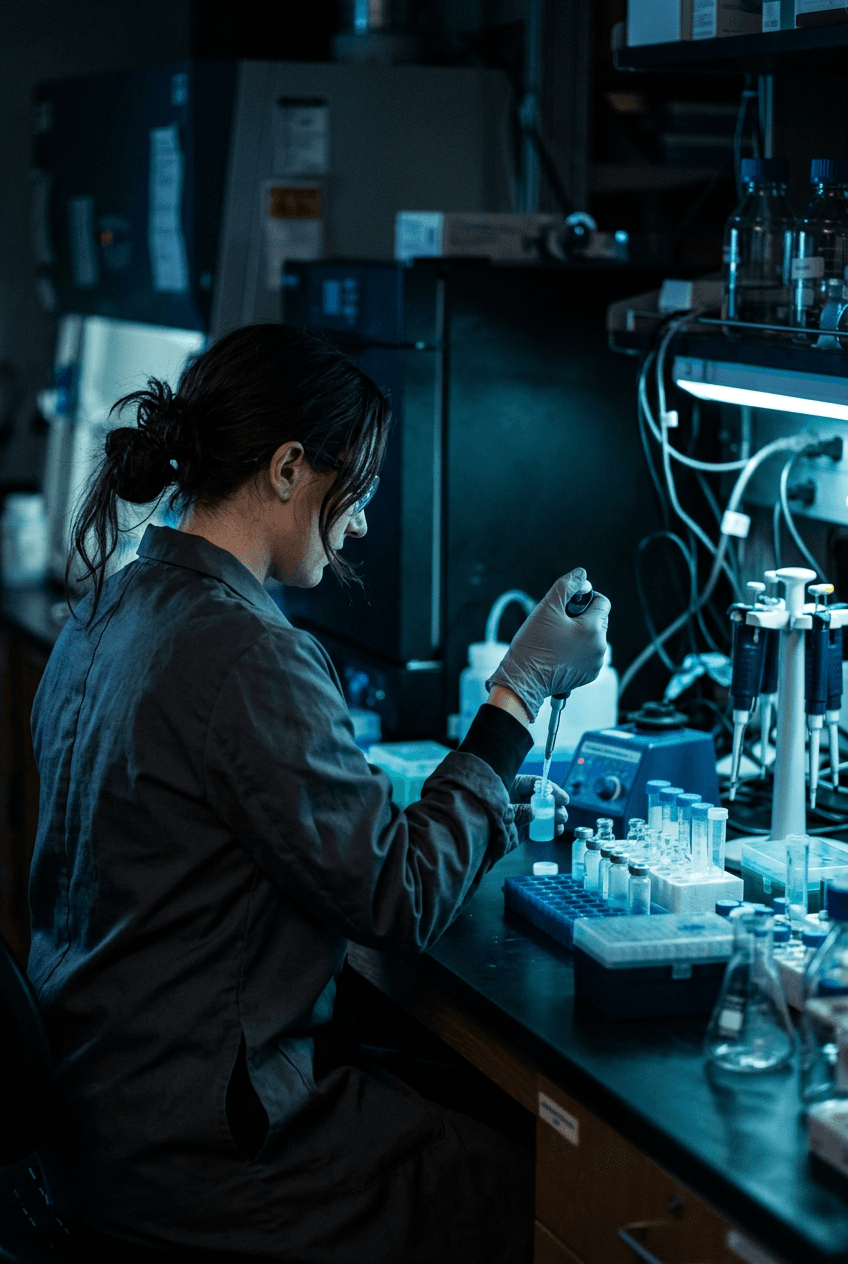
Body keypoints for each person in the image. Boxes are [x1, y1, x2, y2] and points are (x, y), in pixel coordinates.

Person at [27, 324, 610, 1262]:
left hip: (94, 1115)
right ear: (290, 468)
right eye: (362, 491)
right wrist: (521, 691)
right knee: (539, 1193)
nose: (366, 521)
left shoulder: (104, 608)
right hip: (200, 1163)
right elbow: (400, 894)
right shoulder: (249, 652)